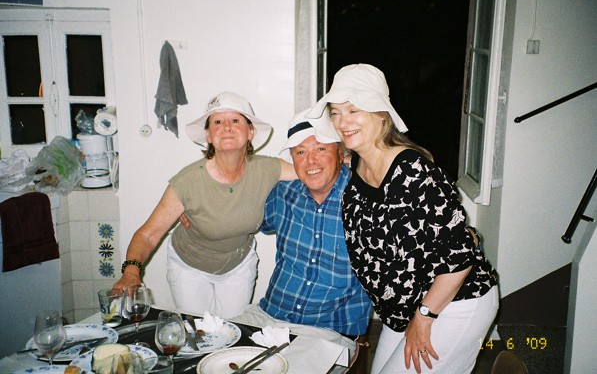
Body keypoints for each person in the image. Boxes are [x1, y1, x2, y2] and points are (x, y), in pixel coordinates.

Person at [307, 64, 499, 374]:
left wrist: (424, 317)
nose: (343, 122)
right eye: (336, 113)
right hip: (406, 307)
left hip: (452, 301)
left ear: (381, 115)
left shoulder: (411, 171)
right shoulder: (358, 164)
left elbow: (460, 258)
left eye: (354, 110)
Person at [112, 91, 296, 318]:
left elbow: (312, 172)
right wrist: (131, 272)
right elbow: (148, 235)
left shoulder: (267, 169)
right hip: (189, 266)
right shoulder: (188, 181)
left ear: (250, 132)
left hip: (238, 264)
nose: (227, 127)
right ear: (208, 135)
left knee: (232, 328)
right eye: (217, 122)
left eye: (235, 120)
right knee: (196, 330)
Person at [232, 110, 372, 372]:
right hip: (267, 317)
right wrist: (194, 212)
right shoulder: (284, 193)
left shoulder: (367, 200)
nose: (310, 161)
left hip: (327, 332)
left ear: (341, 153)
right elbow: (242, 214)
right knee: (209, 358)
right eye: (300, 152)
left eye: (320, 148)